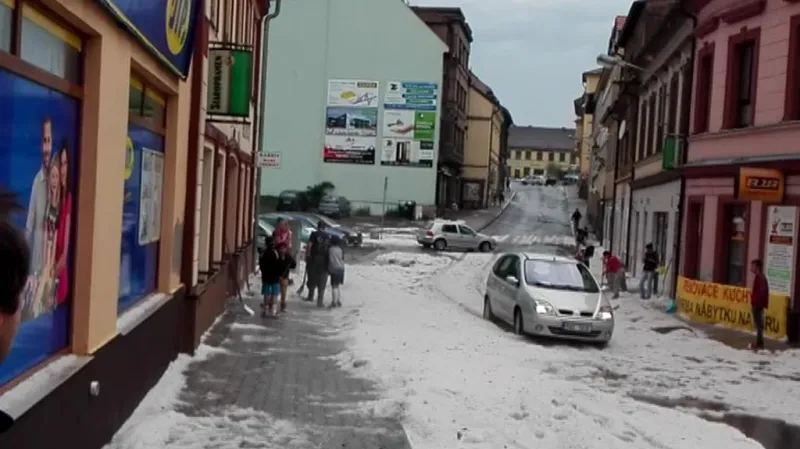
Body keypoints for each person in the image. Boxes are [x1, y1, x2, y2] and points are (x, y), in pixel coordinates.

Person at [25, 117, 52, 278]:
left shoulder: (59, 185)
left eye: (49, 141)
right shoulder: (37, 181)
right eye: (44, 141)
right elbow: (29, 225)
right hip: (37, 267)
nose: (46, 148)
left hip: (51, 268)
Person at [305, 220, 331, 307]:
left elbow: (309, 245)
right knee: (322, 279)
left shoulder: (314, 234)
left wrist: (308, 255)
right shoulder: (327, 236)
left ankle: (310, 296)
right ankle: (320, 301)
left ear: (317, 226)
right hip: (324, 260)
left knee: (312, 276)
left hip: (314, 259)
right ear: (324, 228)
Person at [259, 236, 284, 317]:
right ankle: (273, 311)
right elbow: (280, 264)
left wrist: (264, 272)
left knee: (266, 293)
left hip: (266, 276)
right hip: (275, 276)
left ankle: (265, 310)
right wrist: (280, 273)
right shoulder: (276, 253)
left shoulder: (264, 253)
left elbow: (261, 264)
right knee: (274, 293)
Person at [272, 217, 292, 312]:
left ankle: (283, 303)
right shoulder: (275, 232)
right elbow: (275, 242)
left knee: (284, 284)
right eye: (279, 224)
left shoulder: (288, 233)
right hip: (276, 258)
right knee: (275, 282)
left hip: (285, 258)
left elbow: (289, 244)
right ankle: (272, 303)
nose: (281, 226)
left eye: (283, 224)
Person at [750, 259, 769, 350]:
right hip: (757, 303)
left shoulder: (761, 278)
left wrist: (758, 303)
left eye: (753, 266)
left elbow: (763, 292)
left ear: (757, 267)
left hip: (758, 304)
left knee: (759, 324)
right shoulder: (758, 277)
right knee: (758, 324)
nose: (751, 268)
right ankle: (759, 343)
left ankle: (760, 344)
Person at [327, 236, 345, 308]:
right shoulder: (341, 249)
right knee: (337, 285)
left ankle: (334, 302)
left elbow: (328, 259)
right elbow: (342, 258)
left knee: (334, 286)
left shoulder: (330, 250)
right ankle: (338, 301)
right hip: (341, 268)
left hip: (334, 269)